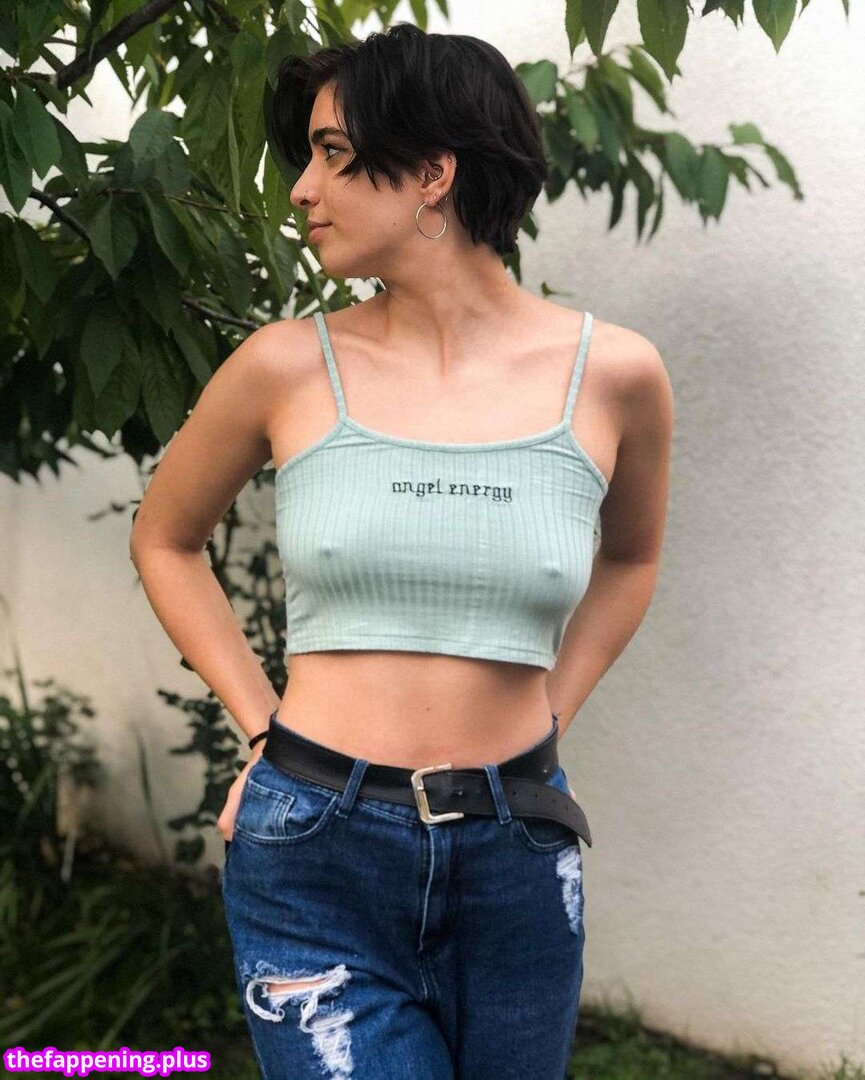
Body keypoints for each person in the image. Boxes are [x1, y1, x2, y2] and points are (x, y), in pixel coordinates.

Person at [129, 22, 673, 1080]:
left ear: (433, 172)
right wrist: (260, 729)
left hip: (517, 850)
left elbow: (631, 562)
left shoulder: (613, 376)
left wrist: (551, 718)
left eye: (334, 154)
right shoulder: (282, 367)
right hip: (312, 849)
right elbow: (165, 538)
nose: (301, 190)